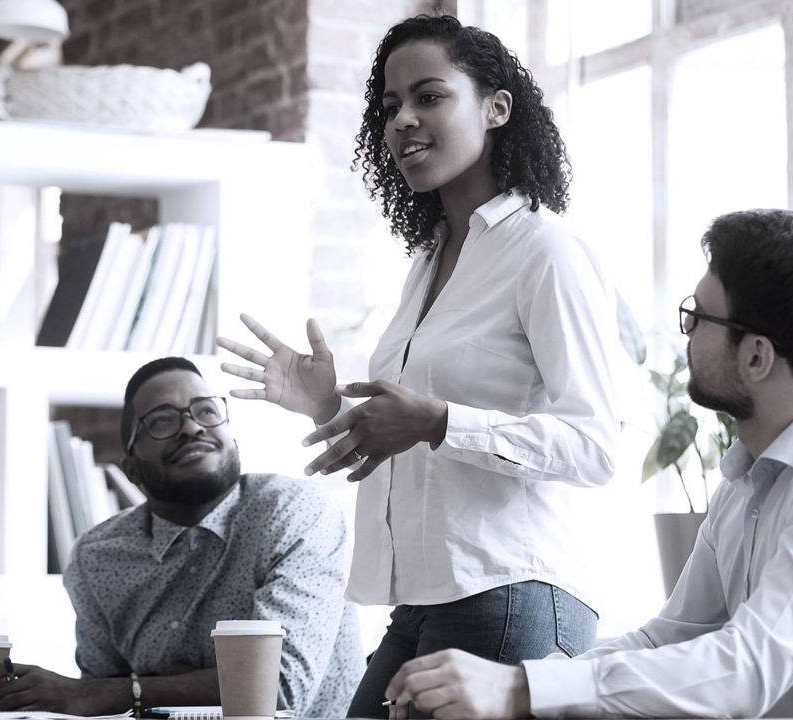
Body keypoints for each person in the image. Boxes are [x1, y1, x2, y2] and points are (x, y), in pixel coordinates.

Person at [217, 13, 619, 717]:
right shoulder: (430, 262)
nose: (403, 119)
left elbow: (595, 446)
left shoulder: (544, 252)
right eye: (390, 106)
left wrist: (436, 421)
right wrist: (325, 408)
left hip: (513, 593)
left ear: (496, 108)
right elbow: (416, 433)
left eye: (429, 96)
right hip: (427, 600)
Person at [385, 208, 793, 719]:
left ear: (756, 357)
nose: (685, 333)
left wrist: (520, 691)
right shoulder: (747, 480)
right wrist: (527, 683)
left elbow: (746, 670)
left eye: (700, 317)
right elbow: (669, 637)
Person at [0, 357, 364, 717]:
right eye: (162, 421)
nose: (192, 426)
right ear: (131, 468)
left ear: (233, 441)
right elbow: (103, 709)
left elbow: (274, 691)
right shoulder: (97, 558)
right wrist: (143, 691)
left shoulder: (293, 512)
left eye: (207, 411)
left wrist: (129, 691)